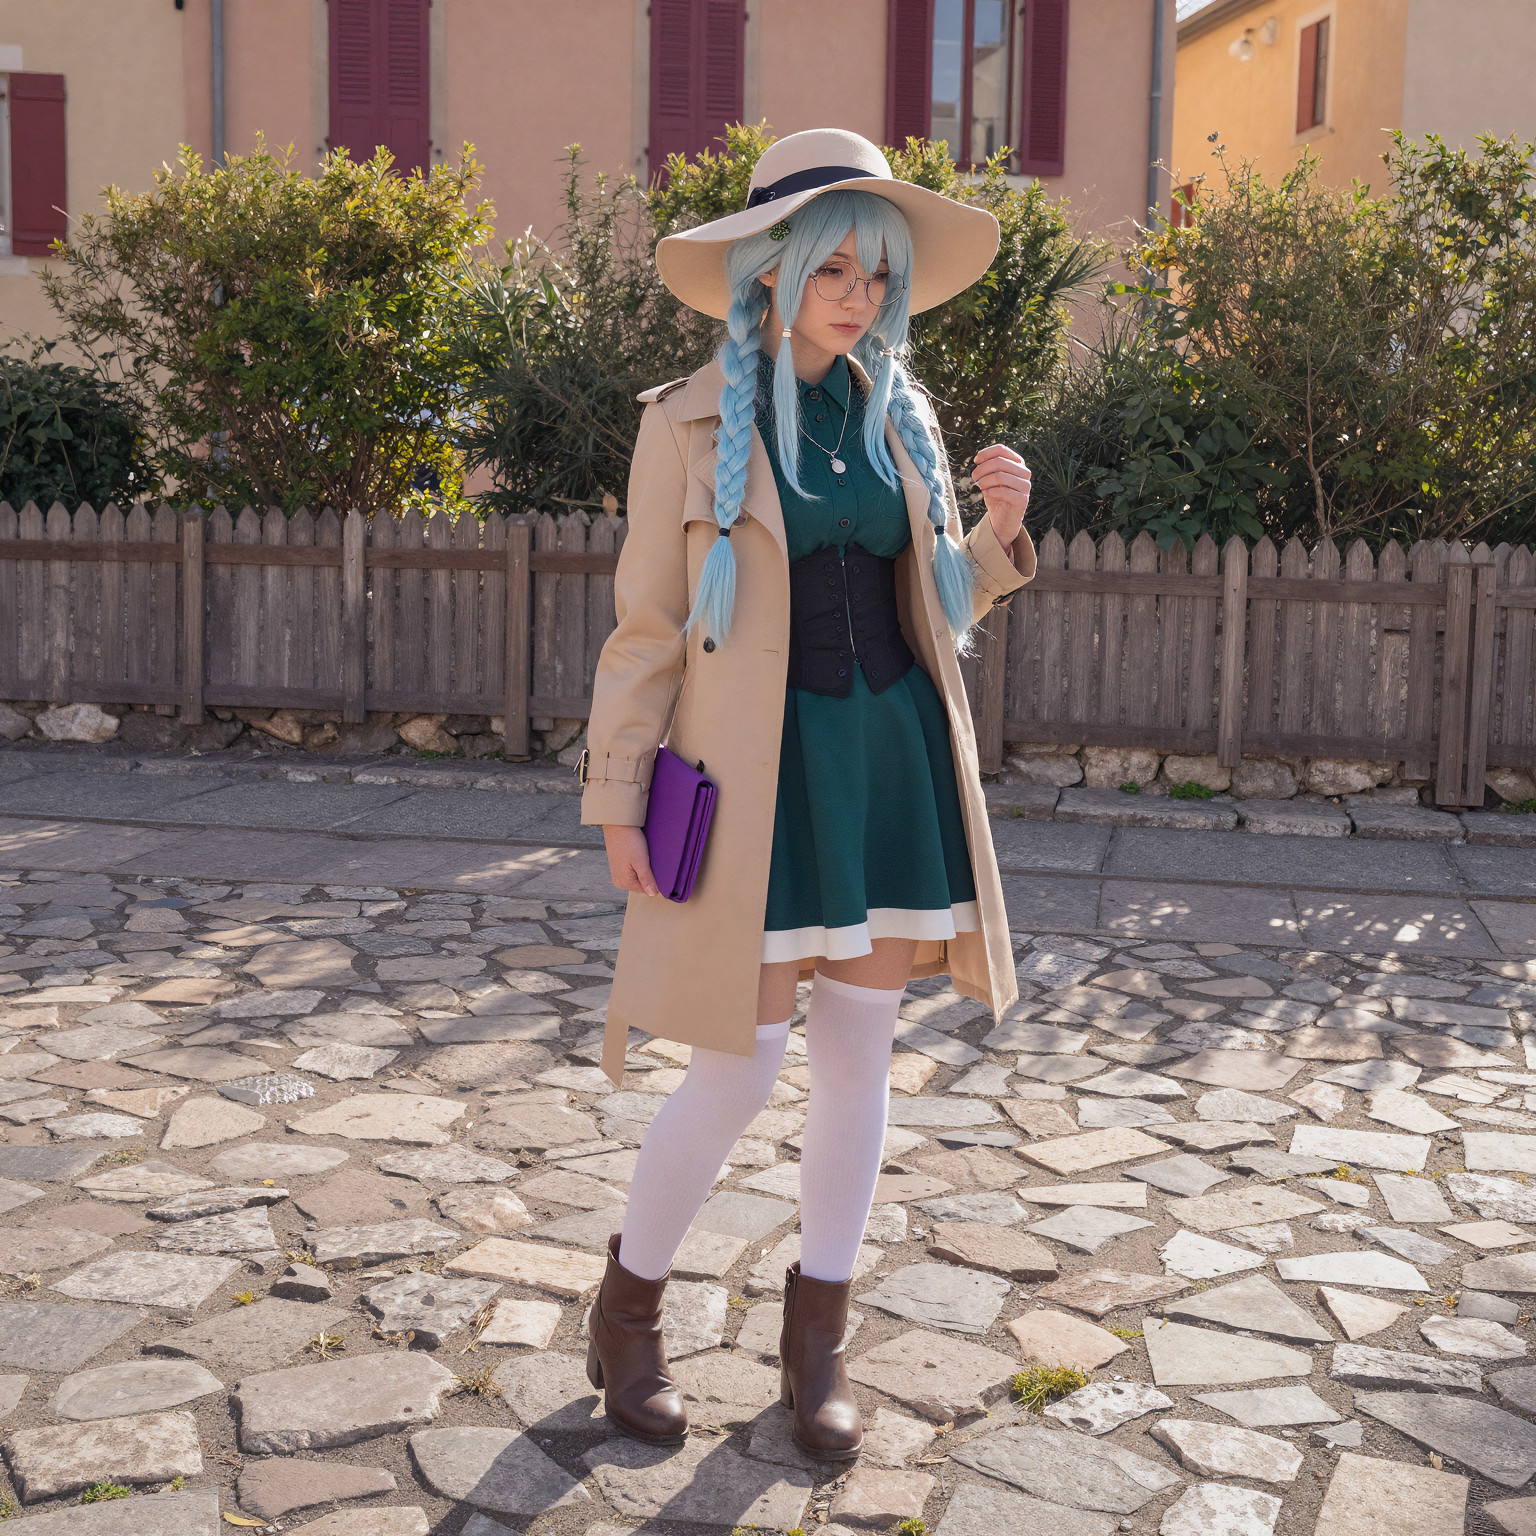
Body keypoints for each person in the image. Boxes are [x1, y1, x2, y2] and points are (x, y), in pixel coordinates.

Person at [577, 127, 1036, 1459]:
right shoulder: (684, 422)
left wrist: (997, 538)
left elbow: (936, 601)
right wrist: (618, 795)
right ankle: (627, 1313)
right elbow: (647, 630)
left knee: (857, 1062)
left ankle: (816, 1341)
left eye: (875, 273)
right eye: (833, 267)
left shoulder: (900, 416)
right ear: (769, 269)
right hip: (758, 786)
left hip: (887, 766)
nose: (857, 294)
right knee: (738, 1068)